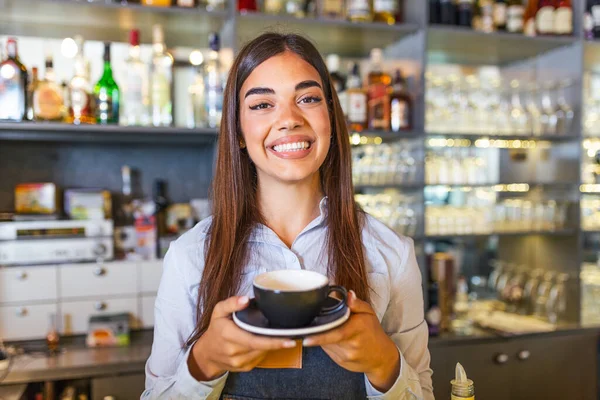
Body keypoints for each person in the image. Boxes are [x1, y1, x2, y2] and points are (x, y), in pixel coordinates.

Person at [143, 32, 433, 400]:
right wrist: (203, 363)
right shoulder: (190, 256)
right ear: (239, 131)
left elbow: (424, 393)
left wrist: (384, 364)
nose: (289, 119)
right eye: (263, 104)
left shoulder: (392, 253)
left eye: (308, 98)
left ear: (331, 117)